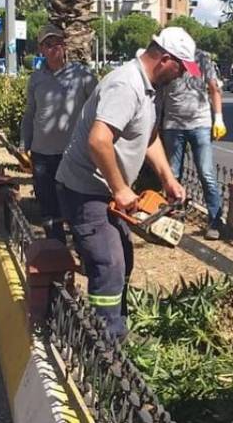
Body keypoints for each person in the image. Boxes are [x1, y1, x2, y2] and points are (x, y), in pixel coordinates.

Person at [56, 27, 196, 340]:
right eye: (182, 67)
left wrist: (168, 179)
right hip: (84, 189)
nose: (183, 74)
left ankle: (114, 330)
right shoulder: (126, 85)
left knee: (123, 258)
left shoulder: (150, 88)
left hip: (102, 189)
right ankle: (102, 345)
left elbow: (149, 137)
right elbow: (99, 140)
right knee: (109, 263)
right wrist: (120, 188)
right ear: (164, 59)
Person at [20, 24, 96, 242]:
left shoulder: (83, 76)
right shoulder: (35, 79)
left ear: (65, 46)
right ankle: (56, 249)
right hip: (42, 155)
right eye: (48, 44)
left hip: (72, 155)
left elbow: (98, 110)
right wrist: (24, 145)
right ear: (41, 49)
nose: (54, 48)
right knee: (49, 207)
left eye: (57, 43)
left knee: (74, 206)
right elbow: (30, 114)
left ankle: (83, 250)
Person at [159, 48, 226, 240]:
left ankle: (214, 222)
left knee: (206, 173)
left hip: (200, 125)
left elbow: (214, 88)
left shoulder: (202, 59)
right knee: (173, 174)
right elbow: (160, 94)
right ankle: (174, 218)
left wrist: (219, 118)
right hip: (173, 125)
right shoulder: (169, 60)